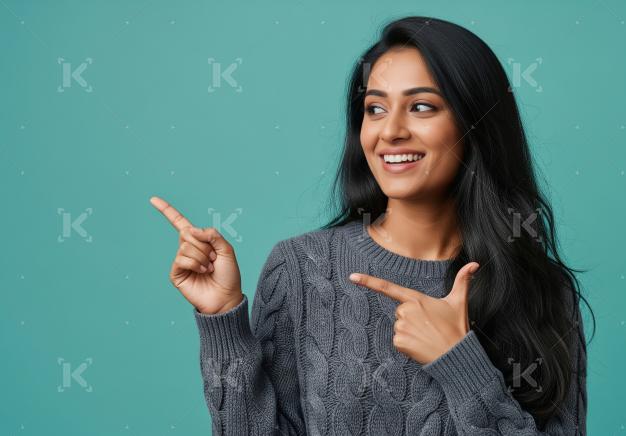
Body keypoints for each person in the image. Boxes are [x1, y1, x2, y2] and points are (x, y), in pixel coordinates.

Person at [151, 15, 594, 436]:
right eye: (375, 108)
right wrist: (223, 318)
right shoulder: (301, 268)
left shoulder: (541, 289)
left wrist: (459, 361)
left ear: (475, 124)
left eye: (421, 106)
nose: (391, 131)